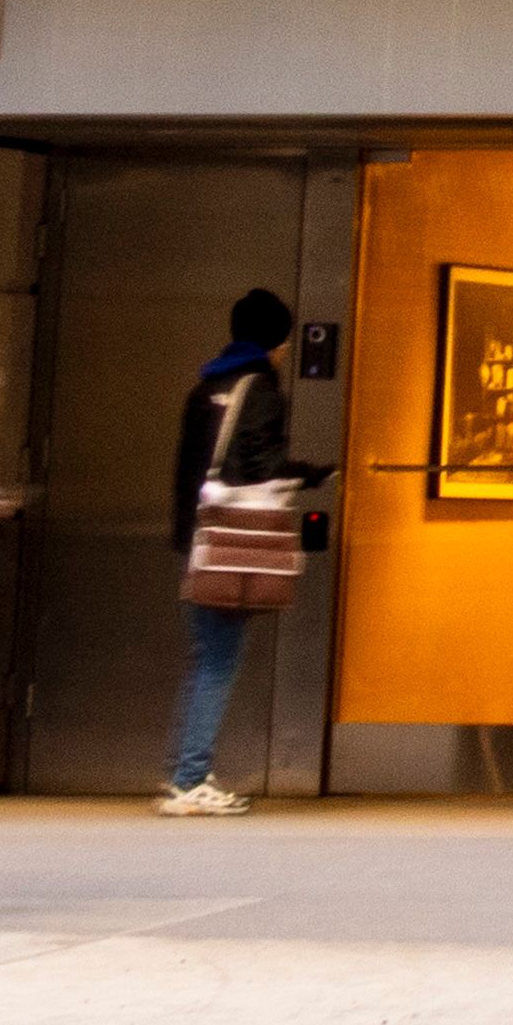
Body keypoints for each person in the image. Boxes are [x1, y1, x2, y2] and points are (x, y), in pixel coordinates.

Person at [165, 290, 314, 815]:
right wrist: (311, 472)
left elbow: (190, 472)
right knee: (218, 660)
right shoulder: (263, 391)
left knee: (207, 655)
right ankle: (189, 778)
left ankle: (183, 771)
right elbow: (261, 468)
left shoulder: (206, 386)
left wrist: (188, 539)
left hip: (202, 540)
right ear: (278, 339)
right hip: (234, 544)